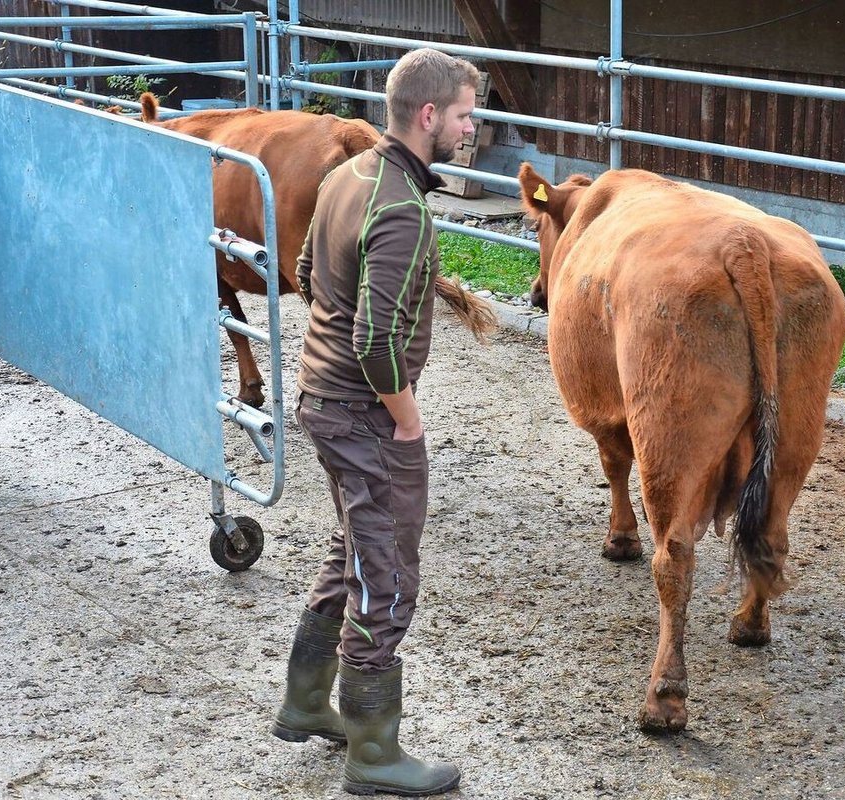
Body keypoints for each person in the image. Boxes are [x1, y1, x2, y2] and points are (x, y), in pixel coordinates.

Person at [270, 48, 479, 797]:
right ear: (429, 116)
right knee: (386, 568)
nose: (469, 127)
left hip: (324, 401)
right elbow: (378, 341)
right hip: (362, 412)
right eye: (463, 114)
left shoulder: (344, 179)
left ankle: (304, 701)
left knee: (354, 548)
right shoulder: (401, 207)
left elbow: (302, 272)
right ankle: (373, 751)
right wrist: (410, 421)